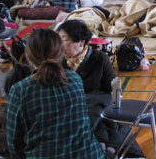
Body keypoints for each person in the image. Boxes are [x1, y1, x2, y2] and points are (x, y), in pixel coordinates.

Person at [6, 29, 104, 159]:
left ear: (28, 57)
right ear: (61, 54)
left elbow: (14, 145)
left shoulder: (19, 90)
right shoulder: (74, 79)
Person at [58, 20, 114, 94]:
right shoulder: (58, 60)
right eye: (59, 40)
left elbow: (112, 91)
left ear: (81, 42)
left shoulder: (100, 59)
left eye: (64, 40)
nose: (60, 45)